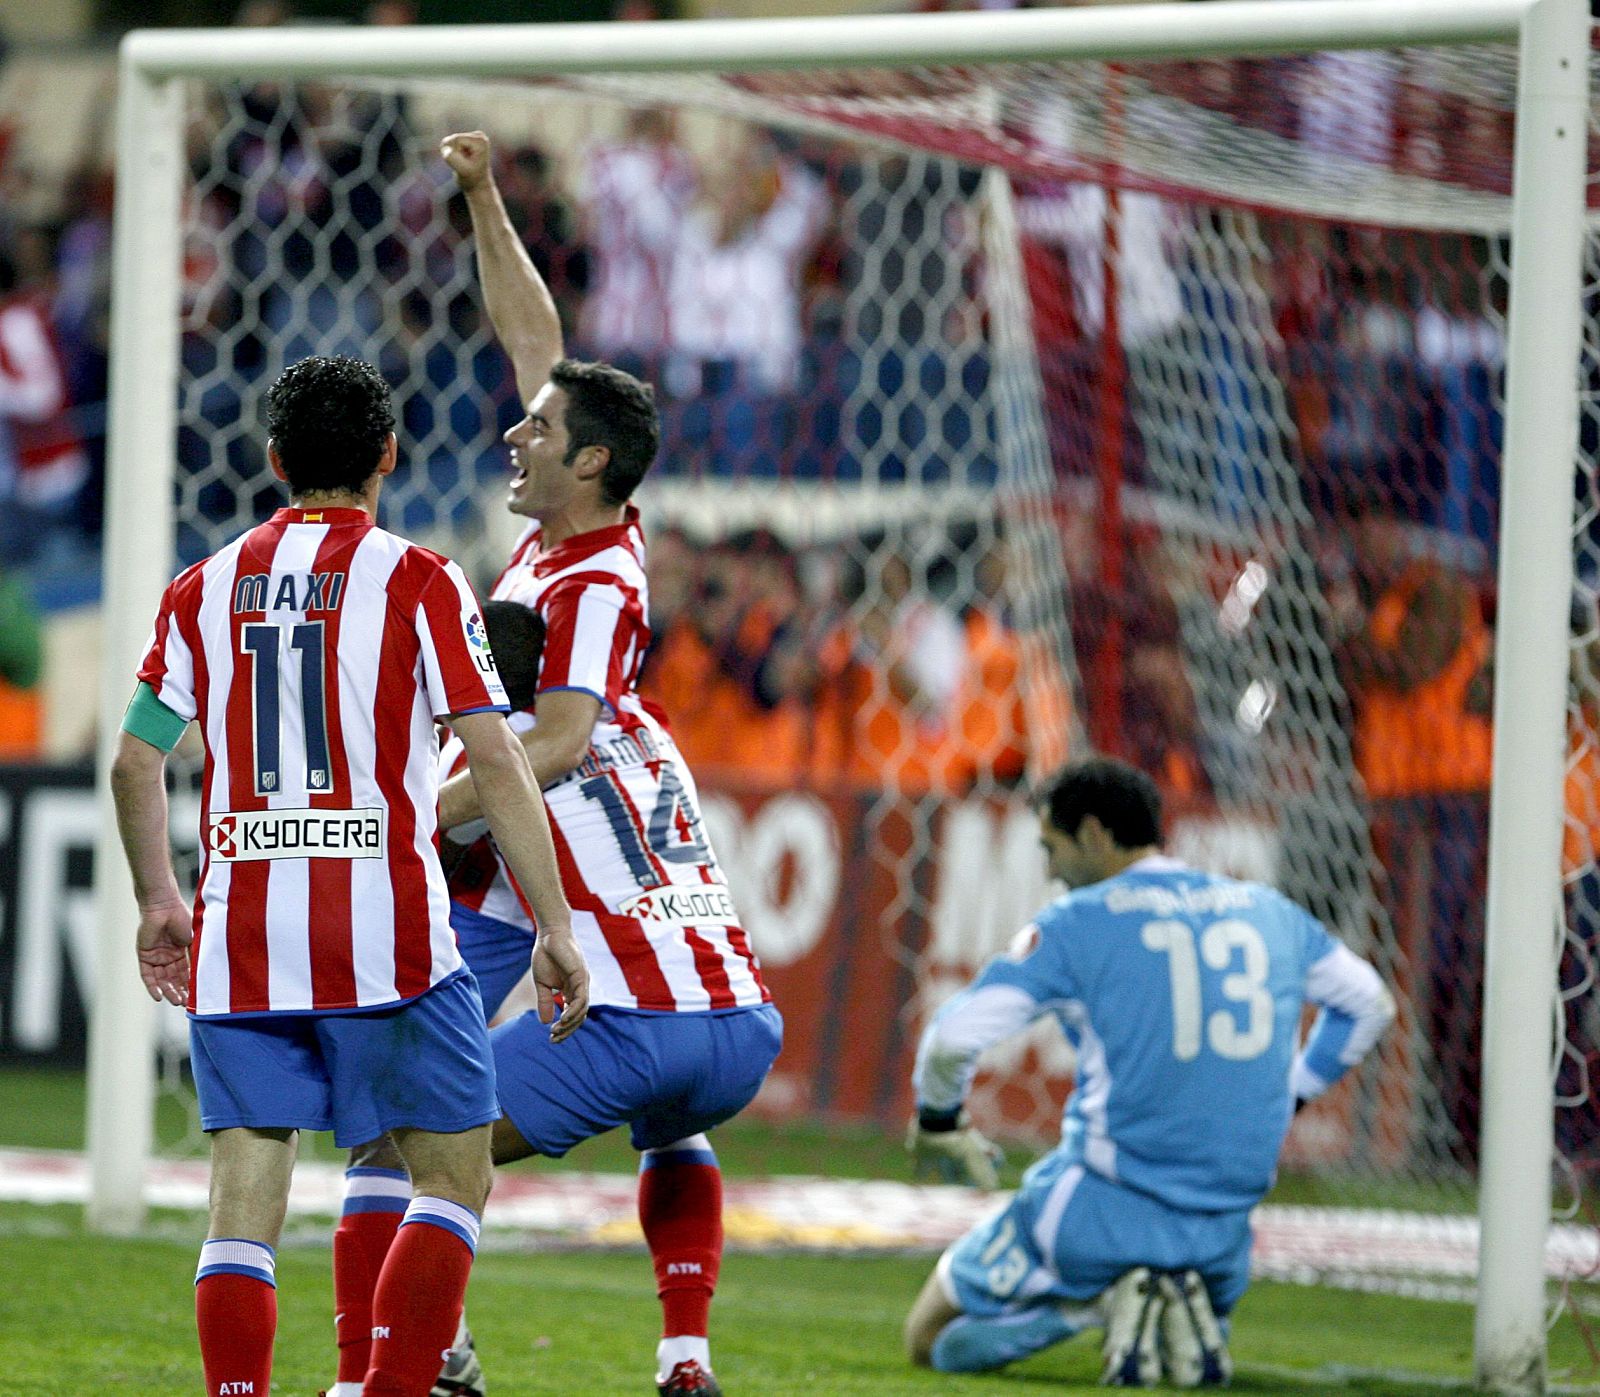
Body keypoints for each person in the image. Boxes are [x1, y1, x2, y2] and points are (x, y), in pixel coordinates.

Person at [327, 130, 782, 1397]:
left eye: (541, 431)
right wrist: (482, 200)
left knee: (417, 1138)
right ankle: (682, 1352)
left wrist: (405, 814)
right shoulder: (568, 535)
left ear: (590, 461)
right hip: (714, 993)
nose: (514, 435)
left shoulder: (590, 584)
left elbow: (559, 738)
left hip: (556, 888)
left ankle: (406, 1369)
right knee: (649, 1112)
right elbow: (537, 342)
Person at [109, 354, 590, 1397]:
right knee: (452, 1173)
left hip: (245, 938)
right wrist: (552, 921)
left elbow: (135, 760)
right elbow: (496, 756)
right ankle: (389, 1386)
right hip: (391, 936)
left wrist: (160, 898)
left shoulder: (202, 589)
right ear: (388, 454)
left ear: (274, 459)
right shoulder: (420, 581)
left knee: (242, 1203)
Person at [903, 757, 1394, 1387]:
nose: (1049, 870)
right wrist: (1291, 1095)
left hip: (1096, 1213)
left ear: (1095, 836)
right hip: (1223, 1233)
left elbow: (950, 1038)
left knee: (929, 1338)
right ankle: (1177, 1305)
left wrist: (939, 1120)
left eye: (1052, 847)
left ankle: (1092, 1304)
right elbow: (1370, 1005)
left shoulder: (1078, 924)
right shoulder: (1269, 912)